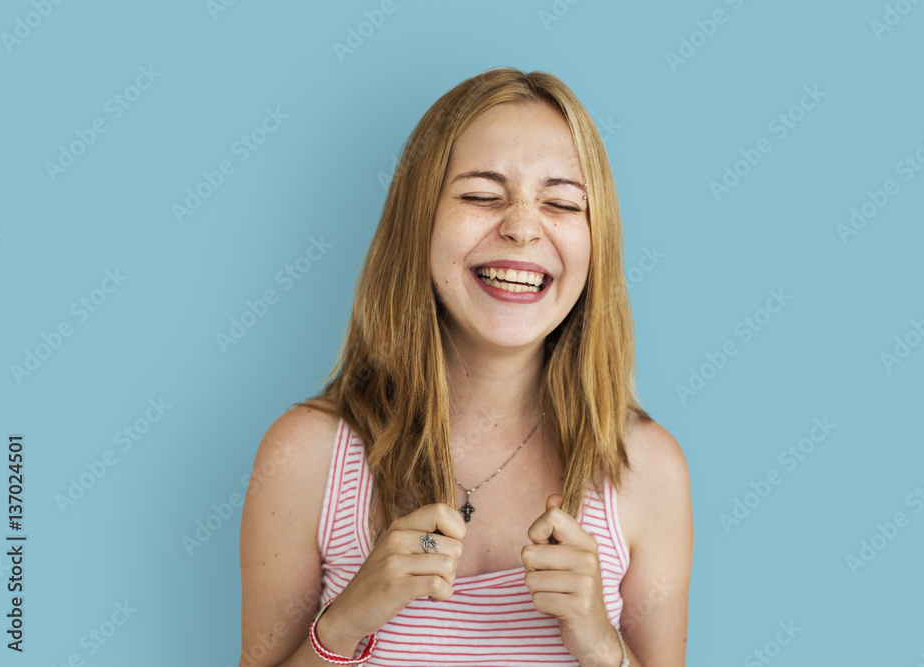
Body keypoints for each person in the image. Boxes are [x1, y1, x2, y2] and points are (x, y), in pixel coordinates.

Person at [238, 66, 693, 666]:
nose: (523, 227)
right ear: (418, 222)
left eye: (560, 202)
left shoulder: (648, 470)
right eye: (481, 195)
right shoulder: (304, 456)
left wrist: (600, 643)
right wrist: (347, 621)